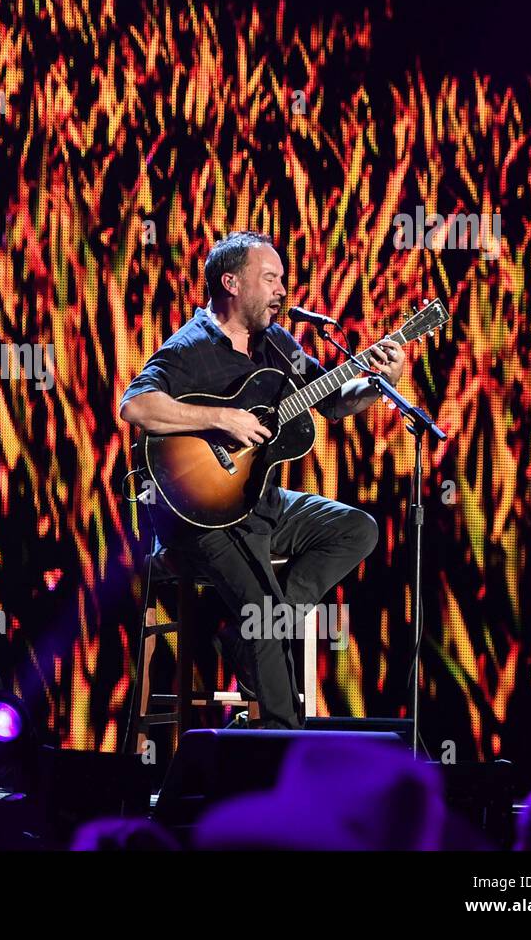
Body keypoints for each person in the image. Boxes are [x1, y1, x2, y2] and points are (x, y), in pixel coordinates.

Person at [119, 232, 404, 728]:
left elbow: (333, 401)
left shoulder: (277, 343)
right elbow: (136, 407)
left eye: (281, 280)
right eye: (270, 278)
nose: (280, 290)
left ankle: (252, 637)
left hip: (261, 503)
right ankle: (279, 751)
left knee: (356, 528)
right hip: (201, 519)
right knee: (264, 612)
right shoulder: (189, 347)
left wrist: (379, 383)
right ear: (230, 282)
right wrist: (221, 420)